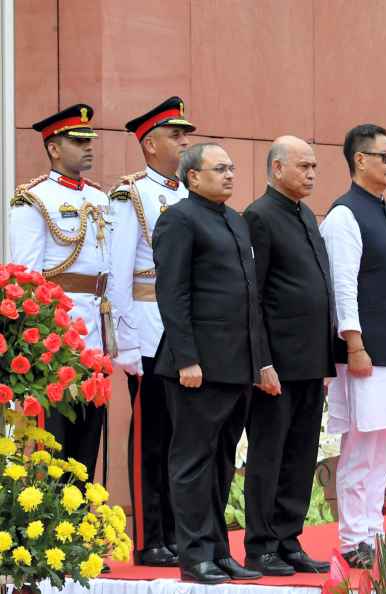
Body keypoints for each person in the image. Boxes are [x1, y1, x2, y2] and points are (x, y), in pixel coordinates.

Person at [153, 143, 278, 584]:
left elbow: (250, 300)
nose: (229, 175)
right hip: (197, 369)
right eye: (219, 168)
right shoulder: (179, 220)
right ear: (192, 177)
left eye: (231, 168)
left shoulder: (235, 222)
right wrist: (187, 358)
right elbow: (172, 294)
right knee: (192, 461)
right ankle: (194, 555)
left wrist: (261, 362)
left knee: (224, 461)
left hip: (237, 366)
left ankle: (219, 550)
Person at [320, 124, 386, 569]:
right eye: (385, 157)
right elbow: (343, 286)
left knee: (384, 449)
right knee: (360, 448)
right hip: (365, 352)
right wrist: (354, 343)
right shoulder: (345, 214)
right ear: (360, 160)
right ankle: (352, 538)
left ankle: (375, 532)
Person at [107, 97, 195, 567]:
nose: (184, 143)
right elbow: (119, 274)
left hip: (184, 330)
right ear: (149, 143)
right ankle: (150, 536)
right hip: (148, 323)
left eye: (185, 135)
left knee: (183, 436)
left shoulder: (189, 192)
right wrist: (125, 339)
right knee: (152, 435)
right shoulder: (131, 194)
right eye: (175, 136)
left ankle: (180, 532)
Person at [241, 136, 334, 575]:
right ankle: (260, 545)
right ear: (277, 169)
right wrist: (262, 362)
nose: (312, 174)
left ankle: (288, 538)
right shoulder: (260, 216)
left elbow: (320, 290)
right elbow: (253, 296)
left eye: (314, 167)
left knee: (301, 453)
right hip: (277, 362)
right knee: (269, 454)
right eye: (303, 166)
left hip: (311, 360)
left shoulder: (306, 217)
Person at [9, 104, 111, 482]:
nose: (88, 147)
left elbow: (108, 272)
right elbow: (27, 276)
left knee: (87, 444)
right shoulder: (34, 200)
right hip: (57, 337)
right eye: (77, 140)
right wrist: (40, 342)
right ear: (53, 148)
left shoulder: (100, 200)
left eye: (89, 140)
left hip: (96, 334)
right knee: (53, 443)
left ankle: (83, 529)